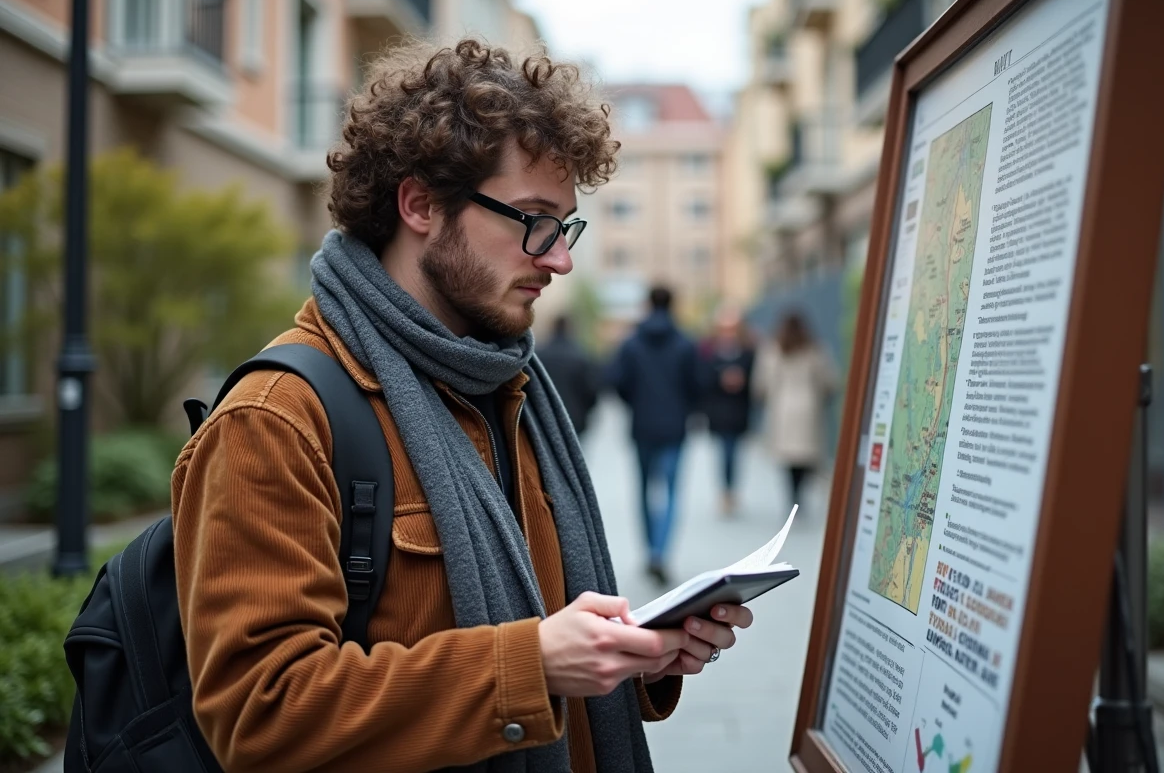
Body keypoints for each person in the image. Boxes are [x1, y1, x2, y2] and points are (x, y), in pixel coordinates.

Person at [171, 40, 752, 773]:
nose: (560, 258)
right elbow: (261, 714)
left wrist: (633, 654)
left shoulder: (510, 388)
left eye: (566, 225)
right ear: (419, 204)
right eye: (534, 219)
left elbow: (540, 630)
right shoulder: (278, 418)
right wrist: (531, 665)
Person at [608, 285, 699, 586]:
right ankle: (661, 552)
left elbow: (617, 382)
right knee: (671, 492)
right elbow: (697, 384)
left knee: (645, 489)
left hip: (643, 426)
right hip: (674, 428)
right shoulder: (685, 343)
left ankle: (650, 551)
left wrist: (636, 404)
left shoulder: (632, 343)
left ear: (648, 304)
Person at [752, 311, 838, 512]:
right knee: (806, 457)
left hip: (782, 407)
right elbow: (829, 380)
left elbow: (763, 382)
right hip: (808, 407)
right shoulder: (815, 349)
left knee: (788, 458)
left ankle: (793, 496)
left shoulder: (772, 350)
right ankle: (800, 495)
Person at [698, 307, 755, 517]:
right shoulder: (709, 351)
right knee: (725, 451)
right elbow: (702, 378)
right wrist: (721, 379)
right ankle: (726, 491)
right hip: (719, 412)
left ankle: (730, 490)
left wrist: (741, 380)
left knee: (734, 452)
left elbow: (756, 377)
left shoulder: (748, 350)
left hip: (739, 411)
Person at [537, 314, 599, 437]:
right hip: (574, 418)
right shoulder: (581, 356)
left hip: (545, 416)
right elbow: (591, 390)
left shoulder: (540, 355)